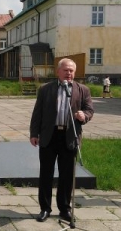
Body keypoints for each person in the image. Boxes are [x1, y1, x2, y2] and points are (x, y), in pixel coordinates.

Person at [29, 58, 94, 222]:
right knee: (46, 174)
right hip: (49, 136)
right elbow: (37, 113)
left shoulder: (83, 90)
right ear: (58, 71)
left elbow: (89, 110)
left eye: (71, 70)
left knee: (67, 175)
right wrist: (34, 133)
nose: (68, 73)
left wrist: (84, 116)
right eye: (65, 70)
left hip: (69, 137)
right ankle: (45, 208)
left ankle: (64, 209)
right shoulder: (45, 89)